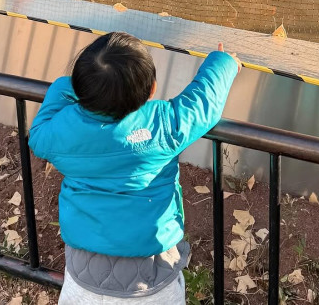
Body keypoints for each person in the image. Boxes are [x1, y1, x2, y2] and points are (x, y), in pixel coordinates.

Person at [29, 31, 241, 304]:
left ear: (80, 86)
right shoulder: (161, 124)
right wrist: (223, 63)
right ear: (152, 89)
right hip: (152, 278)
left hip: (83, 279)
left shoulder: (59, 132)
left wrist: (70, 86)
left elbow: (38, 134)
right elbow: (202, 105)